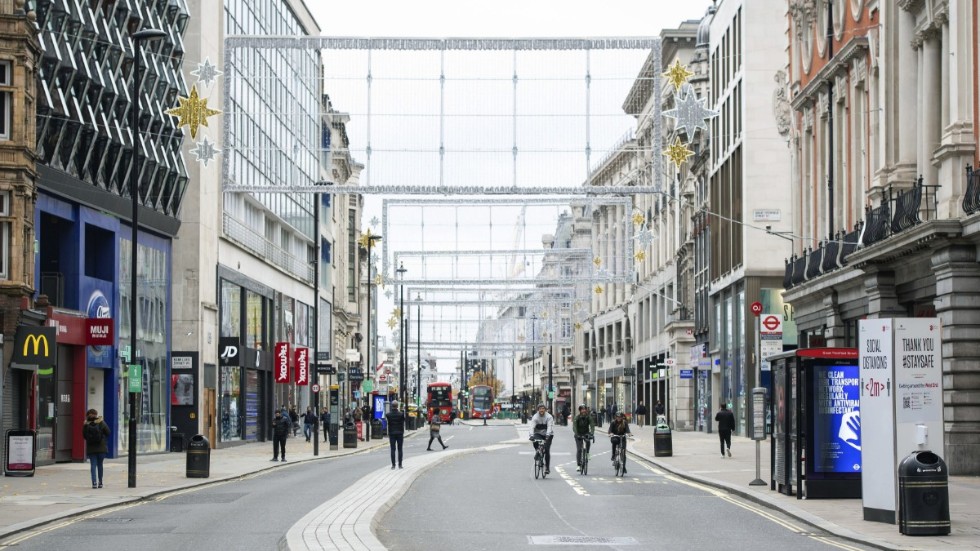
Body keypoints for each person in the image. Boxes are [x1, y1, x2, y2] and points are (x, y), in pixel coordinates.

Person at [82, 409, 110, 489]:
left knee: (93, 465)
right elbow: (108, 432)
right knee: (100, 465)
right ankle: (100, 482)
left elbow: (84, 436)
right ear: (96, 414)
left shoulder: (86, 424)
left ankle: (94, 483)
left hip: (91, 448)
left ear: (87, 415)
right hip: (101, 448)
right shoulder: (101, 422)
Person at [528, 404, 555, 474]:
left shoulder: (549, 417)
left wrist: (548, 435)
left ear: (545, 410)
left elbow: (549, 426)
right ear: (538, 410)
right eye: (540, 409)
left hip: (548, 434)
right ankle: (537, 451)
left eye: (543, 409)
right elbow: (532, 427)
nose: (541, 410)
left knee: (546, 450)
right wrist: (531, 435)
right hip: (538, 433)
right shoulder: (535, 417)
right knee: (535, 440)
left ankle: (547, 468)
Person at [572, 405, 595, 472]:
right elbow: (574, 427)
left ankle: (587, 453)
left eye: (585, 409)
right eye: (582, 409)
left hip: (586, 433)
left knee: (588, 441)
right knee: (579, 449)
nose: (584, 411)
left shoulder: (588, 417)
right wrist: (576, 434)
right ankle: (578, 465)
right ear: (580, 410)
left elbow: (592, 425)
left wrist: (592, 433)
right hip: (578, 434)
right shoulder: (577, 417)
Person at [386, 402, 407, 469]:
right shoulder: (401, 414)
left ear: (391, 406)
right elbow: (403, 421)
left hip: (392, 433)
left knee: (392, 449)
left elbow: (388, 422)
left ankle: (393, 465)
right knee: (400, 449)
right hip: (400, 433)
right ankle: (400, 465)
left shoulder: (388, 415)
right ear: (397, 406)